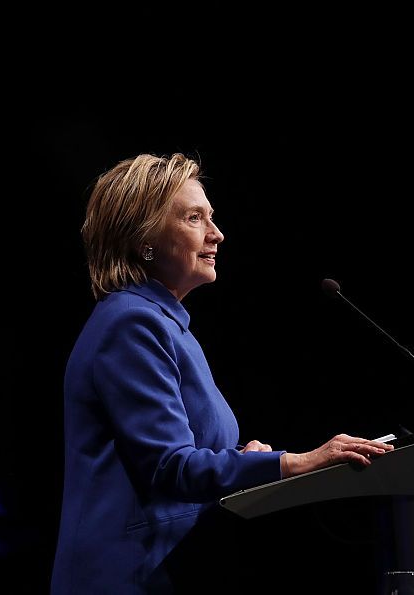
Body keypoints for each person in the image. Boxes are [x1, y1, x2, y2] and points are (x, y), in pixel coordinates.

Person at [50, 153, 393, 594]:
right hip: (125, 576)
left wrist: (243, 458)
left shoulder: (165, 325)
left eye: (211, 217)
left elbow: (184, 456)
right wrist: (296, 462)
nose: (217, 234)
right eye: (195, 218)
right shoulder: (131, 324)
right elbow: (170, 467)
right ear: (144, 240)